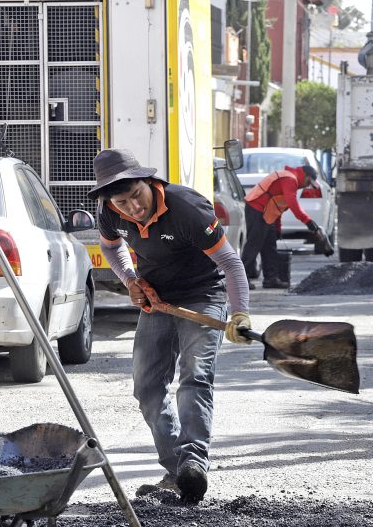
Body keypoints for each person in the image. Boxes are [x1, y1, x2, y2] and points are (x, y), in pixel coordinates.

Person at [89, 148, 251, 505]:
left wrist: (239, 314)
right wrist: (131, 280)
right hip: (156, 298)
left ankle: (194, 461)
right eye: (123, 202)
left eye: (137, 195)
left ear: (149, 182)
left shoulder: (187, 208)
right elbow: (111, 248)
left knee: (195, 375)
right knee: (147, 386)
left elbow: (230, 263)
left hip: (204, 293)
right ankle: (178, 472)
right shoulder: (108, 210)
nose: (133, 207)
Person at [241, 164, 322, 288]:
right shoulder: (290, 179)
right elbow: (292, 203)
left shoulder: (290, 179)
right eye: (308, 182)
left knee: (270, 246)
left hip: (266, 211)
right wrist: (308, 221)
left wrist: (277, 229)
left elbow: (277, 207)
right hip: (256, 208)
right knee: (254, 244)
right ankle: (240, 280)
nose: (307, 185)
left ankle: (271, 279)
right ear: (305, 176)